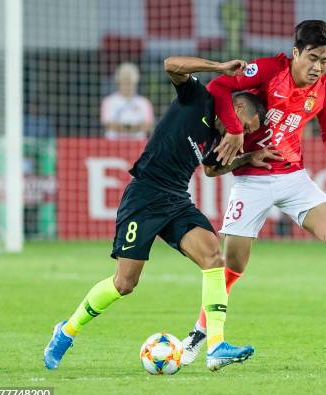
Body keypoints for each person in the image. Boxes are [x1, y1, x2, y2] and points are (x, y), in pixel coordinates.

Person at [179, 20, 326, 364]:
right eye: (312, 58)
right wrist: (236, 128)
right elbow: (219, 86)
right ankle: (201, 334)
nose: (318, 67)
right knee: (232, 266)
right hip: (251, 179)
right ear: (296, 52)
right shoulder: (270, 70)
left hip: (294, 177)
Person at [44, 55, 282, 372]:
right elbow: (171, 64)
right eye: (248, 127)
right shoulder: (199, 98)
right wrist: (219, 68)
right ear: (238, 110)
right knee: (125, 283)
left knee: (214, 257)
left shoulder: (216, 135)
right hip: (144, 194)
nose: (244, 135)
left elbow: (211, 169)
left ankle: (216, 346)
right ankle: (67, 331)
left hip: (176, 199)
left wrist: (249, 156)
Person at [101, 62, 154, 140]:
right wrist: (135, 128)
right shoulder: (108, 102)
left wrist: (121, 127)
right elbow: (108, 125)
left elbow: (148, 126)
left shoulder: (144, 103)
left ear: (136, 80)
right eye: (124, 80)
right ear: (118, 80)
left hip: (137, 146)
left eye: (130, 80)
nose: (127, 84)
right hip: (113, 146)